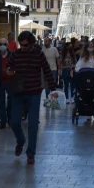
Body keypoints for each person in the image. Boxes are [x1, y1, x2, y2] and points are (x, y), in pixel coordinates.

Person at [6, 31, 57, 164]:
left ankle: (31, 154)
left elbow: (47, 71)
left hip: (34, 92)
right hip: (18, 92)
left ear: (32, 43)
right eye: (21, 45)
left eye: (25, 45)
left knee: (33, 124)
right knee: (14, 122)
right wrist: (8, 71)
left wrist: (53, 89)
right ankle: (21, 140)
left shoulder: (38, 54)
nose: (23, 47)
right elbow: (8, 67)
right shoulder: (16, 54)